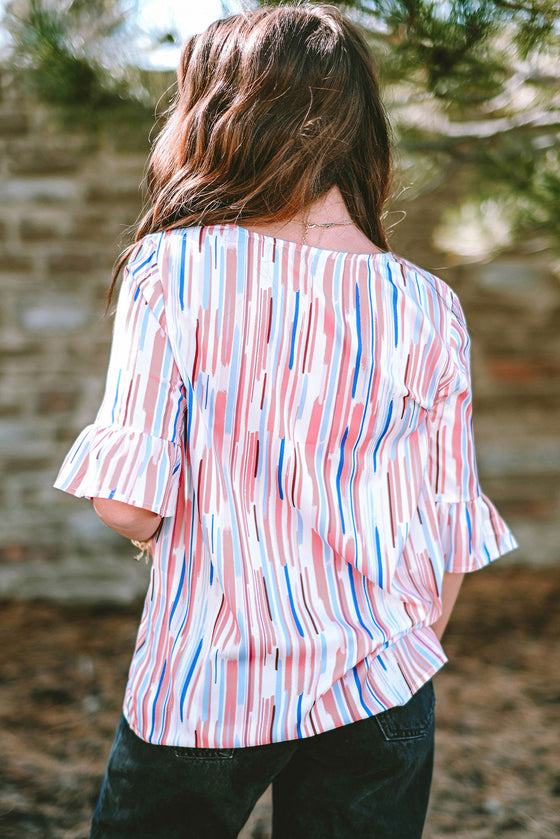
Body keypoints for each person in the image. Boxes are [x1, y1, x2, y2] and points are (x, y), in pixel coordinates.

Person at [54, 5, 517, 838]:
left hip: (207, 673)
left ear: (220, 119)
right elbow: (449, 529)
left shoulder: (173, 268)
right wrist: (390, 645)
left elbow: (131, 506)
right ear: (360, 129)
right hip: (382, 677)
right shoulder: (428, 304)